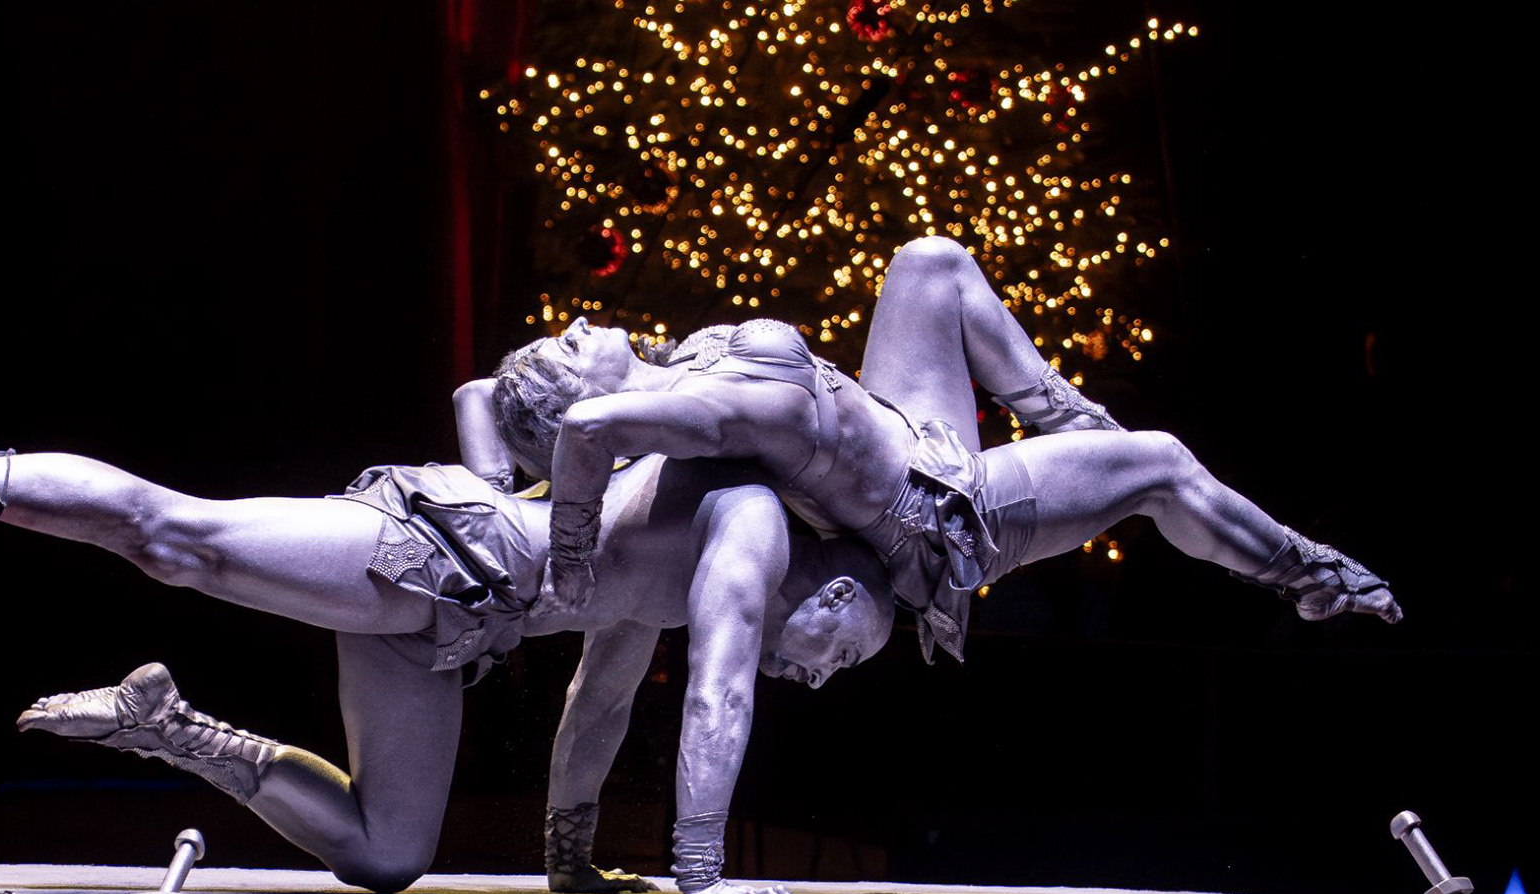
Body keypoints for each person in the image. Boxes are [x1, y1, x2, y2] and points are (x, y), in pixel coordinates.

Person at [0, 425, 893, 894]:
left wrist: (571, 862)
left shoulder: (678, 580)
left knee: (387, 855)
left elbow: (600, 699)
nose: (821, 677)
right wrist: (702, 874)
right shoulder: (750, 524)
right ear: (837, 593)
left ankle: (167, 722)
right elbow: (718, 693)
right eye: (842, 653)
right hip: (434, 549)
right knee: (176, 538)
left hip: (446, 629)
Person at [479, 236, 1401, 665]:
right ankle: (1308, 573)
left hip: (909, 428)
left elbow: (473, 396)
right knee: (1159, 463)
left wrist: (491, 474)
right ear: (581, 402)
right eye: (564, 348)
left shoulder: (678, 365)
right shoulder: (672, 421)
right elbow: (583, 437)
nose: (577, 323)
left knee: (931, 261)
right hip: (938, 518)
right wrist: (567, 556)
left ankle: (1078, 427)